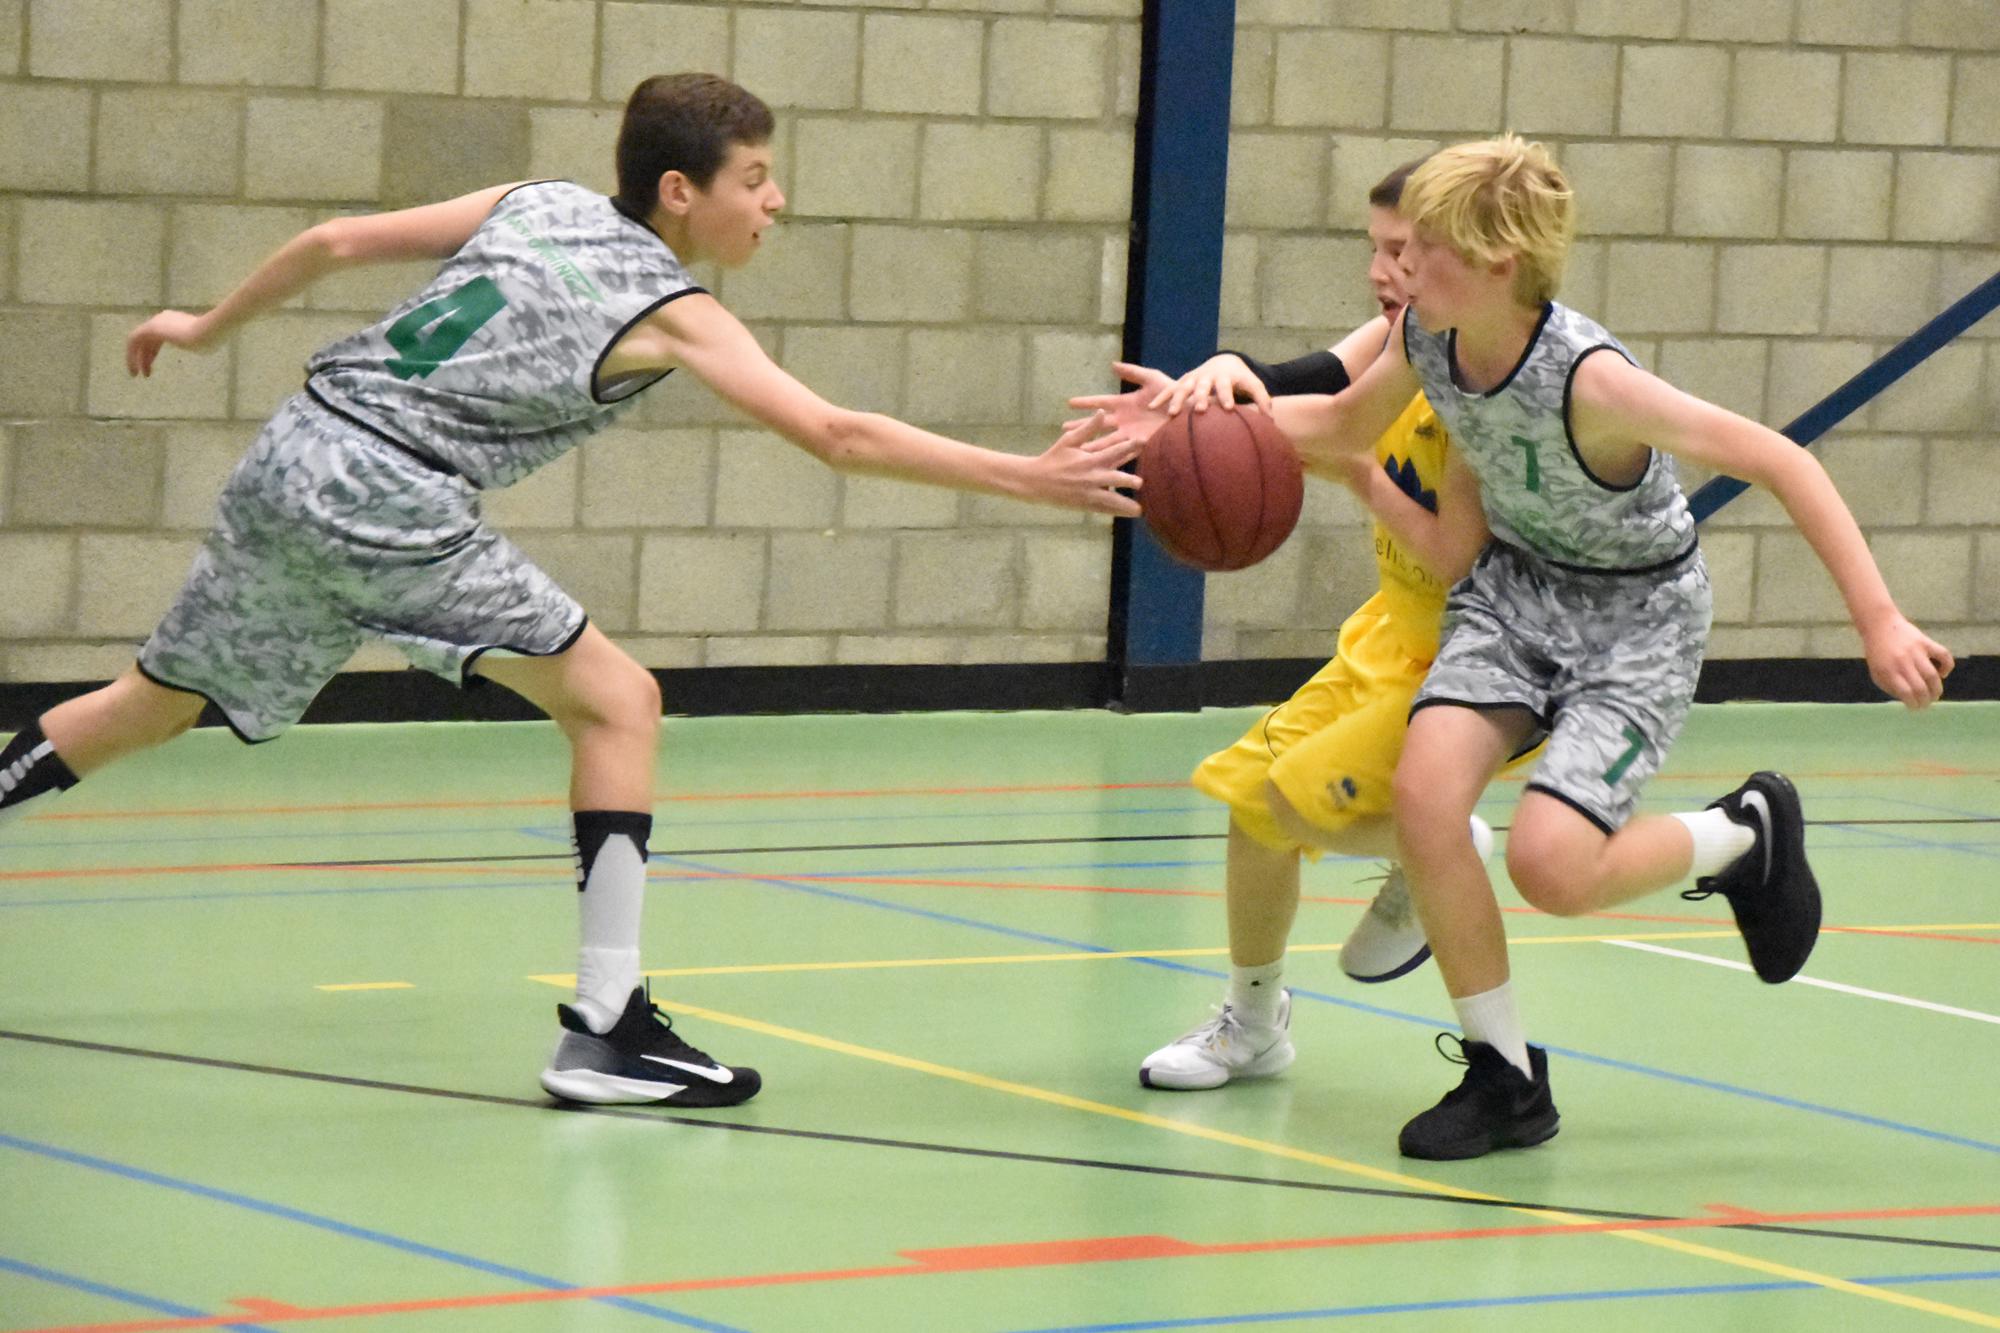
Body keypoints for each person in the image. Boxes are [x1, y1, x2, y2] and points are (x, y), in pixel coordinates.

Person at [0, 73, 1139, 1109]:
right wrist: (1029, 477)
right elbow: (836, 436)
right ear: (681, 191)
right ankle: (606, 1027)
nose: (775, 200)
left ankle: (610, 1027)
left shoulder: (534, 200)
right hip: (389, 493)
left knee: (151, 705)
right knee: (617, 702)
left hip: (295, 451)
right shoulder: (672, 311)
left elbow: (335, 239)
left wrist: (203, 329)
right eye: (755, 178)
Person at [1124, 134, 1952, 1160]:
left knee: (1551, 869)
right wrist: (1182, 424)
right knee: (1426, 801)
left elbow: (1781, 459)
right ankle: (1505, 1078)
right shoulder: (1428, 340)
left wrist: (1877, 619)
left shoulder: (1594, 381)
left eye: (1419, 248)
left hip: (1632, 623)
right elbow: (1337, 420)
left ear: (1493, 263)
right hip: (1512, 601)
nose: (1395, 266)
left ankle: (1742, 833)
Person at [1072, 160, 1523, 1095]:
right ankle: (1254, 1023)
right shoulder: (1404, 336)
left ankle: (1432, 841)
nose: (1380, 270)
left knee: (1290, 800)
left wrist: (1329, 460)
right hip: (1392, 632)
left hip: (1478, 653)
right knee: (1250, 803)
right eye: (1375, 248)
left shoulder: (1487, 377)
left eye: (1399, 250)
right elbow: (1313, 384)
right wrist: (1214, 394)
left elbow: (1442, 542)